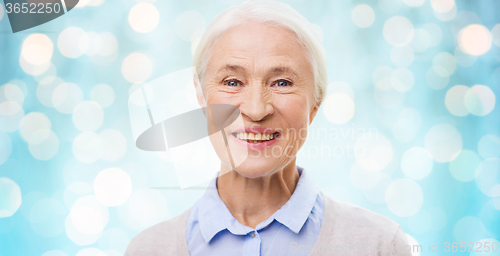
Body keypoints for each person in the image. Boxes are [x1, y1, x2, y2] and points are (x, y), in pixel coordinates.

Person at [125, 0, 412, 255]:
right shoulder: (148, 250)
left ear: (316, 102)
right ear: (201, 97)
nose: (255, 109)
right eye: (232, 82)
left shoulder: (380, 245)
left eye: (282, 83)